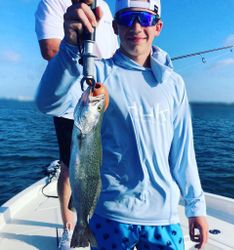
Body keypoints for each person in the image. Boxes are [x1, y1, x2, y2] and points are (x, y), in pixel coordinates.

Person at [36, 0, 209, 249]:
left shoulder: (173, 84)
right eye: (127, 19)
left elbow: (183, 152)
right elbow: (47, 102)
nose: (136, 26)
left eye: (145, 19)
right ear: (115, 27)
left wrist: (196, 206)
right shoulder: (98, 75)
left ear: (158, 26)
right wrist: (70, 47)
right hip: (110, 215)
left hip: (164, 217)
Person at [34, 0, 118, 249]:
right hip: (70, 104)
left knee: (103, 167)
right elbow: (50, 50)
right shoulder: (53, 2)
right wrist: (75, 42)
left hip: (101, 102)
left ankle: (100, 222)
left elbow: (114, 54)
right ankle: (71, 227)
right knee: (69, 168)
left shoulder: (103, 5)